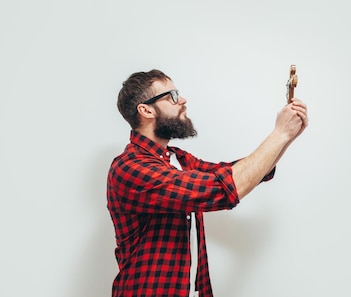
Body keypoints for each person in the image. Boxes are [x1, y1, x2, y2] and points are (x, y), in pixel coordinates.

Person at [106, 69, 308, 297]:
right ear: (146, 110)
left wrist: (287, 136)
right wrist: (279, 134)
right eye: (171, 96)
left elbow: (237, 173)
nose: (182, 100)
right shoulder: (130, 168)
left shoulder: (177, 158)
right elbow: (226, 188)